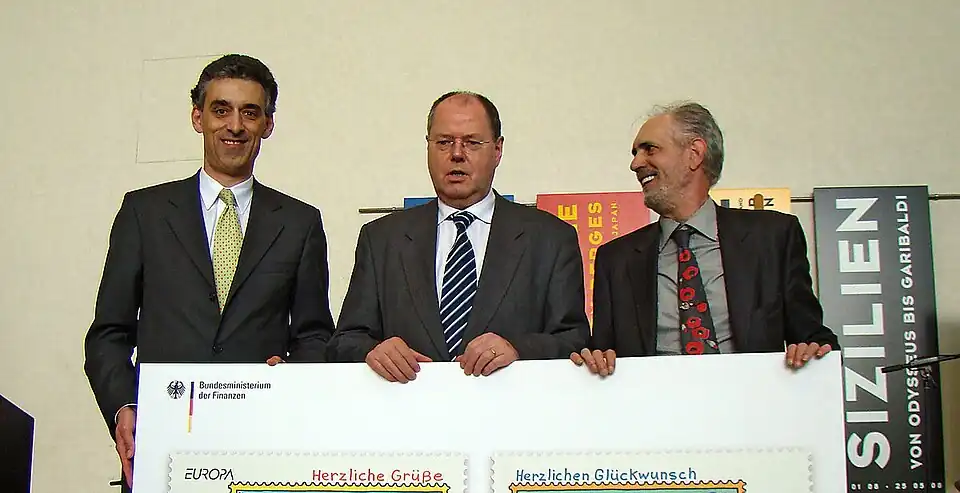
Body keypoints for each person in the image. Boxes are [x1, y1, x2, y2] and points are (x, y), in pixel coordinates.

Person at [83, 54, 335, 489]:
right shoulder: (144, 212)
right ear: (197, 118)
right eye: (221, 110)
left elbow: (314, 336)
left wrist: (295, 379)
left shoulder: (300, 223)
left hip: (262, 449)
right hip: (161, 447)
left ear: (267, 125)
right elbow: (108, 332)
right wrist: (124, 407)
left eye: (250, 112)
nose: (234, 125)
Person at [328, 91, 589, 382]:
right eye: (443, 142)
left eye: (472, 142)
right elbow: (345, 341)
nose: (456, 153)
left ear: (498, 150)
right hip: (408, 416)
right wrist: (374, 350)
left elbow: (575, 339)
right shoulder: (381, 239)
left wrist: (518, 348)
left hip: (512, 416)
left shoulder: (550, 238)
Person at [571, 101, 838, 376]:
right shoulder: (616, 259)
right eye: (635, 153)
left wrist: (811, 350)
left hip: (753, 408)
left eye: (650, 149)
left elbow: (813, 337)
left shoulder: (773, 238)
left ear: (695, 154)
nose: (635, 163)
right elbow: (602, 354)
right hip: (654, 412)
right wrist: (596, 358)